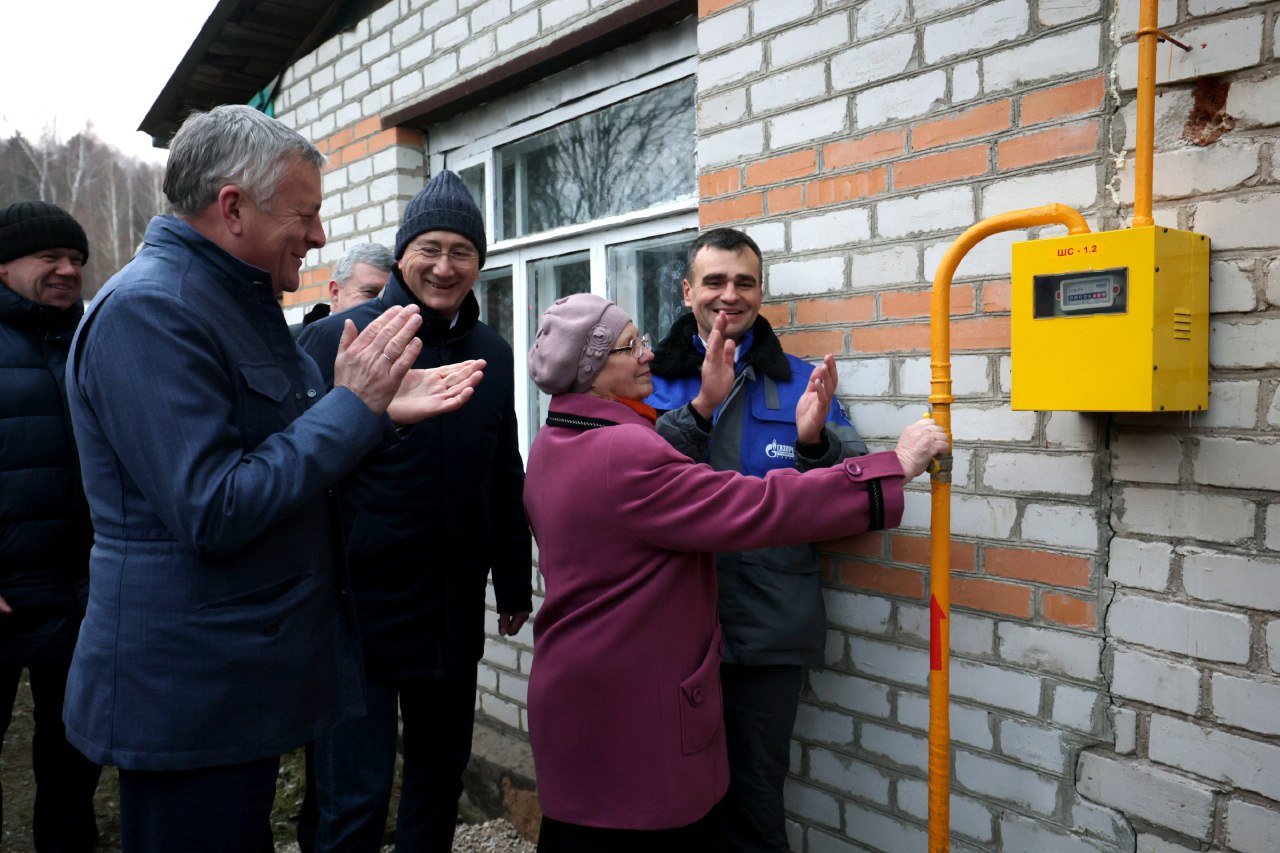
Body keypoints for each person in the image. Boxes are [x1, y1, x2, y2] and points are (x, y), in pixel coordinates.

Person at [62, 104, 484, 852]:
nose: (320, 236)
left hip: (236, 684)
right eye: (307, 214)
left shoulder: (232, 304)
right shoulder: (151, 312)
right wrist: (355, 410)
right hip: (189, 697)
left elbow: (281, 445)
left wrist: (377, 413)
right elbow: (214, 505)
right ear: (233, 208)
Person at [523, 293, 948, 852]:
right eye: (632, 346)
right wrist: (894, 467)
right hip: (635, 707)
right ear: (593, 370)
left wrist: (704, 406)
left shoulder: (557, 440)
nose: (648, 354)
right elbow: (759, 506)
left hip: (578, 692)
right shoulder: (622, 450)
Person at [297, 170, 532, 853]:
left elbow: (501, 470)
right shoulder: (343, 338)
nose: (444, 264)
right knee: (354, 798)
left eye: (463, 251)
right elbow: (296, 465)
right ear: (402, 254)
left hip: (450, 613)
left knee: (436, 783)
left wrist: (512, 580)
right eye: (430, 246)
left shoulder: (492, 353)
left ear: (479, 263)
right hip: (355, 614)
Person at [646, 227, 868, 852]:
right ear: (688, 290)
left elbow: (852, 497)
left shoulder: (802, 382)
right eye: (714, 281)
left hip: (770, 627)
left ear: (761, 291)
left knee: (755, 798)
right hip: (669, 625)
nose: (729, 295)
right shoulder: (646, 380)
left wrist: (814, 445)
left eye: (744, 281)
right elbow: (624, 491)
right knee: (673, 796)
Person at [0, 201, 103, 851]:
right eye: (51, 258)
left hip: (78, 594)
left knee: (73, 760)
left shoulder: (93, 340)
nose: (68, 270)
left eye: (77, 260)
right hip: (5, 594)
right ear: (4, 263)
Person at [298, 242, 393, 329]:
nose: (384, 306)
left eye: (390, 298)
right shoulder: (293, 344)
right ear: (335, 293)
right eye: (370, 293)